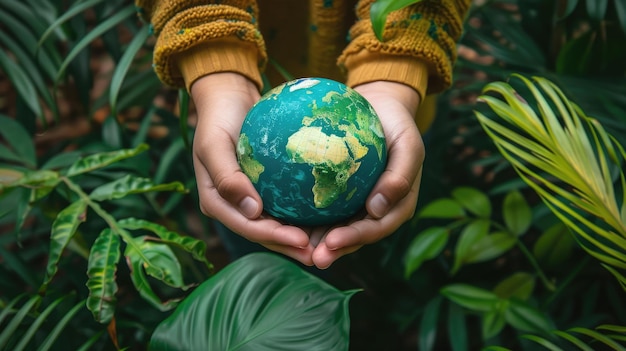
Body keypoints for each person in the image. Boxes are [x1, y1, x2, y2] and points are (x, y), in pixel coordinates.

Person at [135, 0, 471, 269]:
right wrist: (220, 77)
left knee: (400, 214)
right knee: (255, 238)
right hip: (249, 121)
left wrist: (395, 79)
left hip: (397, 115)